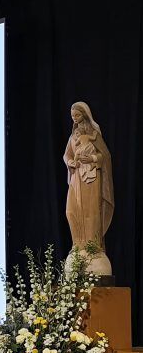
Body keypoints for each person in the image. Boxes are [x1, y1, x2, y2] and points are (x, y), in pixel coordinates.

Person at [63, 101, 114, 251]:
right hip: (76, 177)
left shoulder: (94, 134)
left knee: (91, 212)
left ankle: (92, 247)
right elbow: (66, 155)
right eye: (72, 116)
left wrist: (92, 158)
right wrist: (70, 162)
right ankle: (77, 244)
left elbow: (105, 156)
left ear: (85, 115)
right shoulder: (73, 136)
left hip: (91, 178)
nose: (74, 118)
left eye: (77, 115)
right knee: (71, 210)